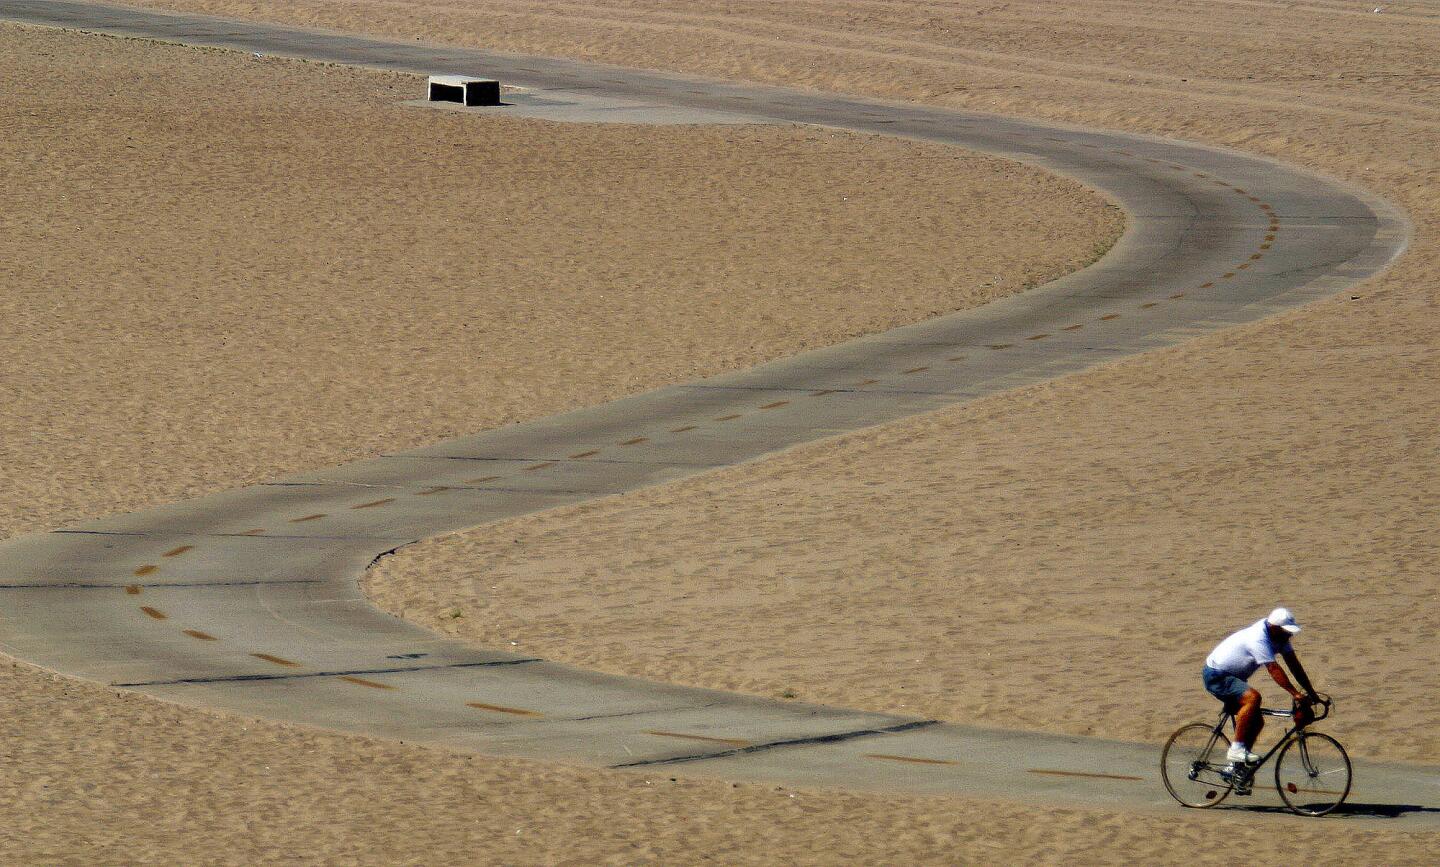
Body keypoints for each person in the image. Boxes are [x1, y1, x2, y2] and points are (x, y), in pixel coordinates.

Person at [1202, 607, 1316, 764]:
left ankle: (1236, 768)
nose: (1289, 635)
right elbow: (1273, 668)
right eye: (1286, 631)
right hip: (1217, 675)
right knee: (1253, 698)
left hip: (1234, 677)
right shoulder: (1258, 638)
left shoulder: (1280, 638)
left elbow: (1294, 665)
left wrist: (1312, 693)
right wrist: (1295, 693)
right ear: (1274, 628)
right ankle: (1236, 750)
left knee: (1257, 722)